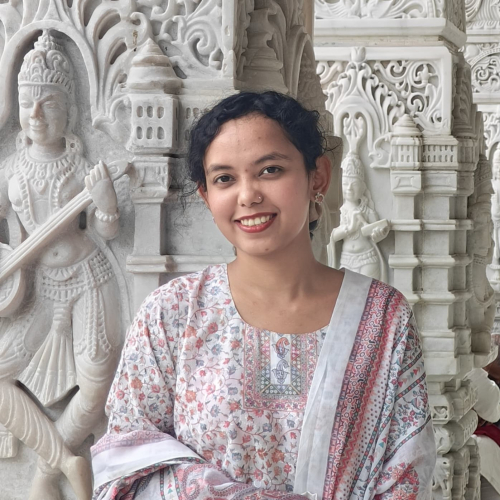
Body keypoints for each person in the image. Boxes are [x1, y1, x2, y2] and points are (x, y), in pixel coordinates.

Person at [92, 91, 436, 499]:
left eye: (270, 170)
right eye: (224, 179)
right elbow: (126, 467)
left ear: (317, 177)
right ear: (206, 196)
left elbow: (406, 474)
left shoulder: (381, 318)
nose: (248, 195)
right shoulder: (173, 314)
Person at [0, 31, 121, 500]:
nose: (35, 114)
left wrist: (106, 204)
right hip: (34, 286)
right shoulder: (11, 170)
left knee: (96, 383)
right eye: (26, 103)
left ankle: (48, 471)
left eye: (48, 103)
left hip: (88, 277)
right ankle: (67, 460)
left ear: (69, 110)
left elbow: (108, 230)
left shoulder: (81, 166)